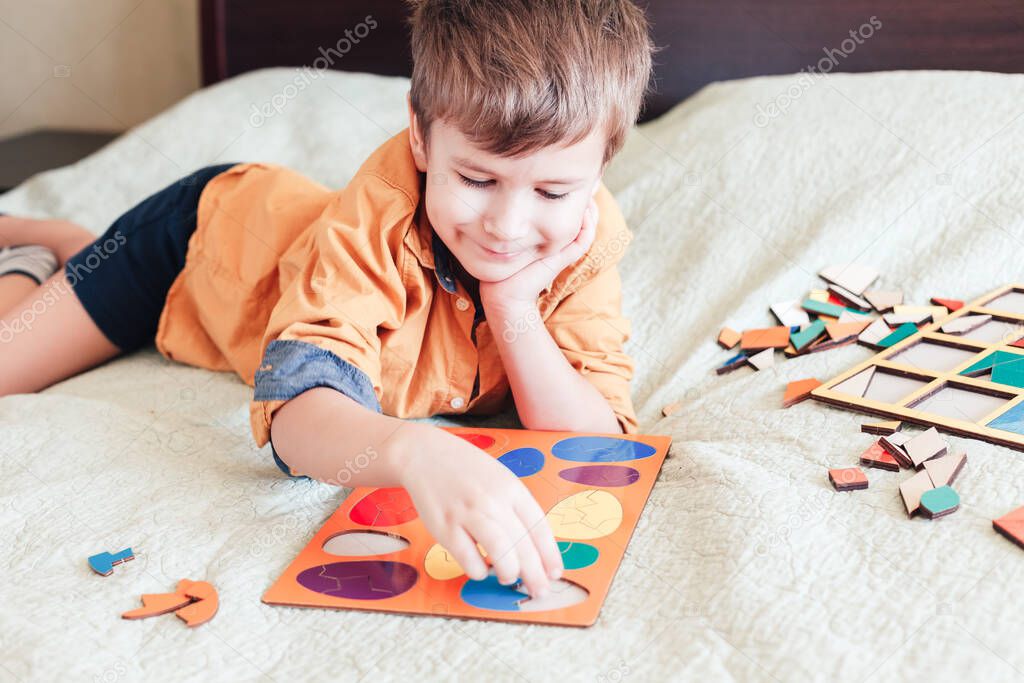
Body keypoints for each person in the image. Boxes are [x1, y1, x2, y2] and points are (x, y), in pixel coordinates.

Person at [0, 0, 654, 599]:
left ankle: (71, 246)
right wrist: (413, 451)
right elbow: (296, 416)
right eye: (478, 178)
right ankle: (43, 250)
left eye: (552, 192)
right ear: (421, 137)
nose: (507, 227)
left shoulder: (583, 240)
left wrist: (512, 306)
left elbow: (595, 442)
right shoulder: (376, 218)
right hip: (186, 246)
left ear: (598, 173)